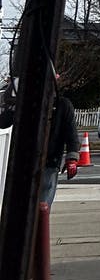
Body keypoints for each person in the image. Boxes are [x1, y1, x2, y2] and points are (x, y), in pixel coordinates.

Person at [0, 78, 80, 206]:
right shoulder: (21, 106)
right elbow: (3, 125)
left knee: (42, 206)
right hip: (20, 164)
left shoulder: (62, 106)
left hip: (48, 163)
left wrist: (72, 158)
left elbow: (71, 135)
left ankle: (39, 224)